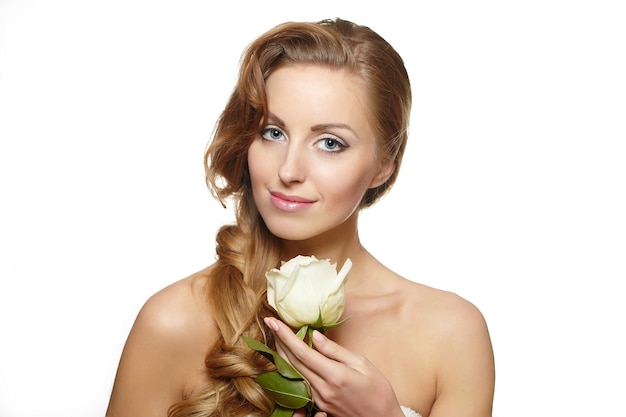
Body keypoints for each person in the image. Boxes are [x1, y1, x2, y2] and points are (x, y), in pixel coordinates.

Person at [106, 17, 495, 417]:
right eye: (272, 133)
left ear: (384, 165)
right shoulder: (173, 321)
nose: (288, 170)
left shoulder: (452, 335)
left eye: (330, 143)